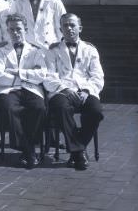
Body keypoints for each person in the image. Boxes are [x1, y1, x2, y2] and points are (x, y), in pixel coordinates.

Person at [44, 13, 105, 170]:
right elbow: (49, 76)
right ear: (60, 29)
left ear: (80, 28)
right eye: (65, 25)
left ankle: (76, 149)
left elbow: (97, 76)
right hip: (61, 90)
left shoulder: (90, 50)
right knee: (61, 108)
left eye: (72, 25)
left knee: (96, 111)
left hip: (85, 90)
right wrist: (64, 89)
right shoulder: (52, 51)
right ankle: (79, 152)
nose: (69, 28)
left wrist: (86, 91)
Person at [0, 14, 47, 169]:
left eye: (18, 29)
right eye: (11, 30)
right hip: (8, 89)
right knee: (9, 108)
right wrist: (27, 76)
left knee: (39, 108)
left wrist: (17, 72)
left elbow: (41, 74)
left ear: (26, 29)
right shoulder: (0, 50)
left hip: (31, 89)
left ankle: (26, 149)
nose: (15, 33)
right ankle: (29, 150)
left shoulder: (36, 50)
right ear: (7, 31)